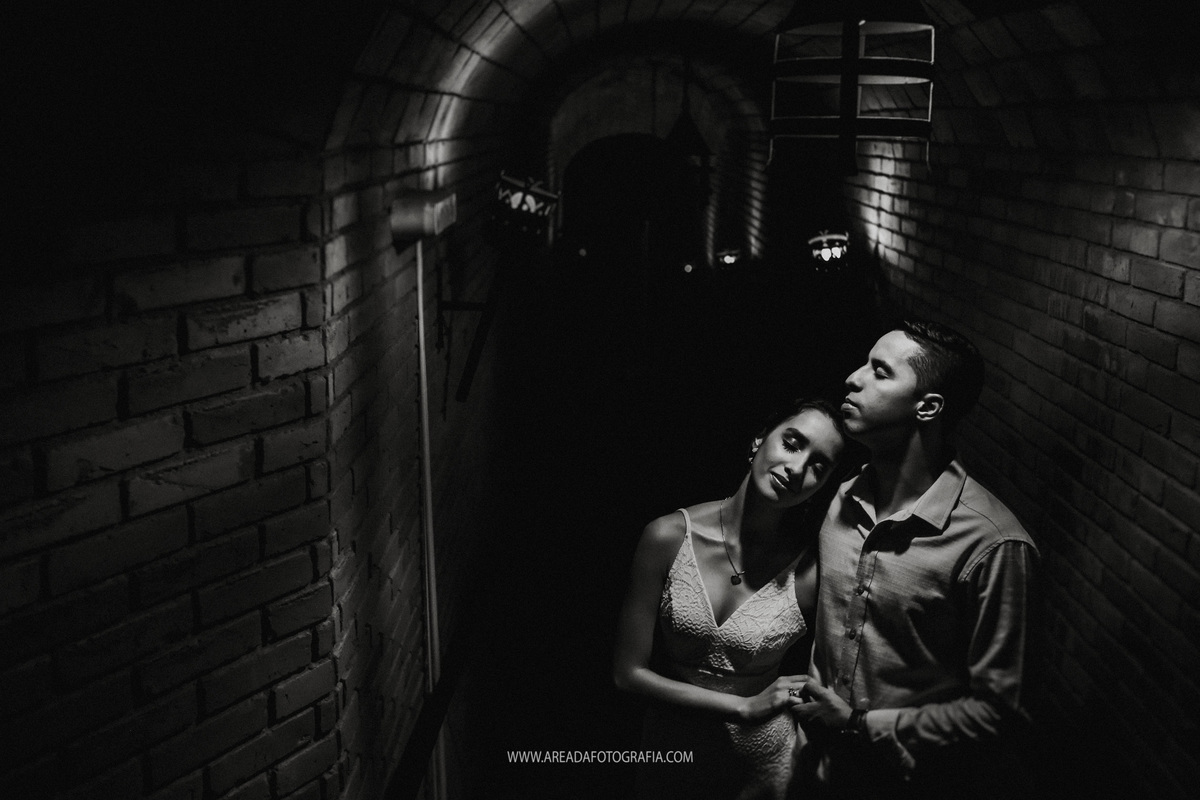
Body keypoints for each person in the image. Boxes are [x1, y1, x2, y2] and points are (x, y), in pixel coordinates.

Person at [793, 319, 1039, 800]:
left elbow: (1000, 711)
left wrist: (859, 724)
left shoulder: (992, 545)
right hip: (815, 770)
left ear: (927, 407)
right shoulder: (842, 497)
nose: (853, 378)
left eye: (880, 371)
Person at [613, 398, 850, 800]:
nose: (797, 469)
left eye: (818, 466)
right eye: (792, 443)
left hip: (764, 764)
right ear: (759, 441)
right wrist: (742, 707)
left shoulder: (812, 571)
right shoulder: (668, 536)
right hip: (671, 752)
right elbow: (627, 675)